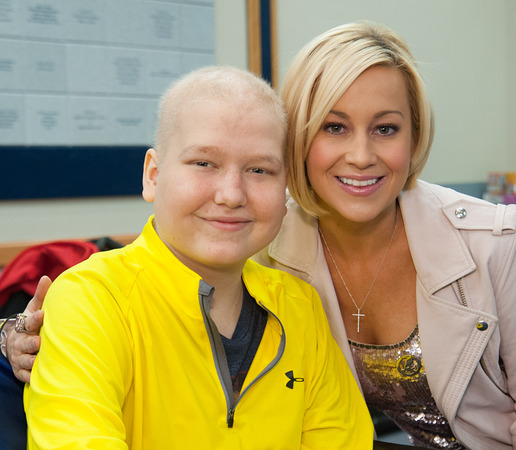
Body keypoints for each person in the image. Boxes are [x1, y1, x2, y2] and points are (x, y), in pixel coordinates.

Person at [7, 21, 516, 449]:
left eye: (386, 128)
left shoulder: (485, 240)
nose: (232, 194)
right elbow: (132, 290)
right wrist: (16, 334)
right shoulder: (258, 247)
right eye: (334, 127)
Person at [11, 65, 373, 449]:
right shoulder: (92, 302)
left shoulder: (300, 308)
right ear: (153, 175)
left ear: (285, 189)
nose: (231, 194)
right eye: (204, 163)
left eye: (259, 169)